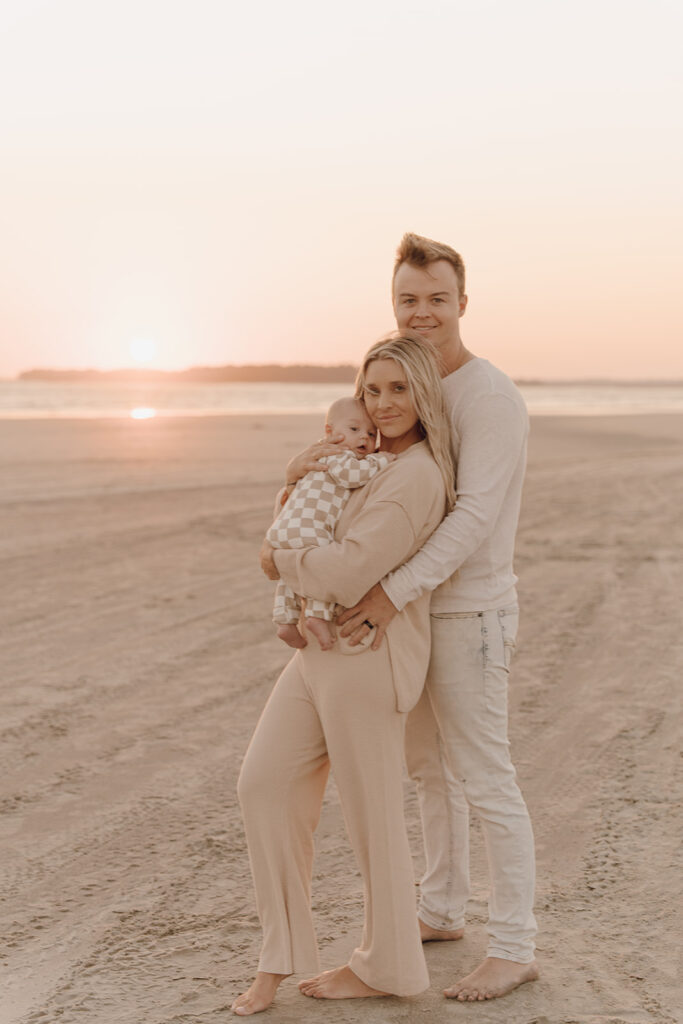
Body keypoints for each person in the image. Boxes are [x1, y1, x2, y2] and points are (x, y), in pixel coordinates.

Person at [287, 233, 539, 1002]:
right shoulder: (408, 384)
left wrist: (387, 594)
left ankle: (516, 945)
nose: (421, 312)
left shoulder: (486, 396)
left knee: (484, 774)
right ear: (392, 305)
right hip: (422, 613)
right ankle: (439, 907)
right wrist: (308, 466)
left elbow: (470, 518)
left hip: (469, 612)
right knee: (428, 770)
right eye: (407, 300)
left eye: (435, 299)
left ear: (462, 303)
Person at [232, 333, 456, 1016]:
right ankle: (280, 957)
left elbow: (352, 568)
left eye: (396, 389)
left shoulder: (416, 473)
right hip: (316, 651)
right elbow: (307, 514)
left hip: (368, 658)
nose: (382, 403)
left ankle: (389, 967)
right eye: (371, 390)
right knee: (263, 785)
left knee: (371, 821)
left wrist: (278, 557)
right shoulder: (359, 460)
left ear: (423, 395)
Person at [266, 397, 394, 651]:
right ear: (330, 432)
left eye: (371, 434)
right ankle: (317, 616)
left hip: (284, 526)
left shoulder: (314, 456)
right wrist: (383, 460)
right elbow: (353, 476)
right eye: (354, 429)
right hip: (310, 527)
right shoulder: (336, 455)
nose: (364, 439)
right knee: (318, 570)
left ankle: (285, 621)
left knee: (290, 578)